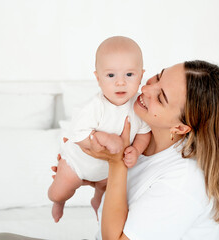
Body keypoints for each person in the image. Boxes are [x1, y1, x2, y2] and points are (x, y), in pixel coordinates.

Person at [0, 60, 219, 240]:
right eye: (157, 77)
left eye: (161, 97)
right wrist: (90, 175)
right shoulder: (144, 136)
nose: (145, 88)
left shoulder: (184, 183)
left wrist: (115, 163)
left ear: (182, 127)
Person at [48, 36, 151, 223]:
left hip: (109, 170)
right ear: (98, 78)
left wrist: (136, 150)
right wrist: (101, 139)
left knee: (106, 193)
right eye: (111, 75)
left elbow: (145, 133)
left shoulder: (139, 106)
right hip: (77, 164)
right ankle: (59, 202)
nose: (120, 82)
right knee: (59, 191)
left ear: (141, 75)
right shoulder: (95, 107)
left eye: (129, 74)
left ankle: (96, 201)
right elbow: (77, 134)